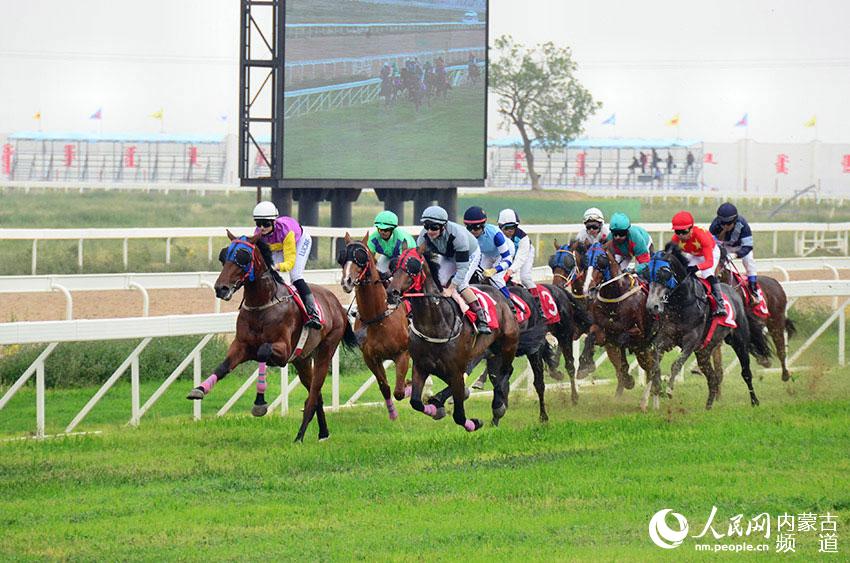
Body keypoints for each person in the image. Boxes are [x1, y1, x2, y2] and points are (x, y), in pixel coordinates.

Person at [416, 206, 491, 334]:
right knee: (438, 281)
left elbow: (462, 269)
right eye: (426, 226)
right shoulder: (424, 236)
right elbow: (418, 258)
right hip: (448, 255)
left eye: (433, 227)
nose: (429, 231)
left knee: (460, 284)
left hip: (469, 254)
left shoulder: (458, 236)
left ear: (443, 226)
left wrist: (451, 289)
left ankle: (481, 318)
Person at [252, 201, 323, 329]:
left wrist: (277, 267)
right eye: (258, 223)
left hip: (298, 241)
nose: (262, 227)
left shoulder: (286, 232)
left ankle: (313, 313)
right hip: (278, 245)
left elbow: (289, 263)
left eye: (266, 224)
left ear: (274, 222)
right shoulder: (258, 234)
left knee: (295, 276)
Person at [671, 211, 726, 317]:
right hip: (693, 254)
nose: (681, 235)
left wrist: (697, 267)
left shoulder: (702, 236)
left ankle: (720, 303)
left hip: (710, 253)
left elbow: (709, 262)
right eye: (678, 232)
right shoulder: (676, 238)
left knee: (706, 273)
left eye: (684, 231)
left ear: (691, 228)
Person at [462, 206, 515, 305]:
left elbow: (507, 259)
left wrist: (495, 270)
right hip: (487, 254)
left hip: (503, 254)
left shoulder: (495, 235)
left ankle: (511, 304)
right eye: (469, 228)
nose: (473, 231)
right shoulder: (466, 235)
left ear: (483, 225)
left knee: (496, 278)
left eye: (476, 228)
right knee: (478, 276)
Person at [709, 202, 760, 303]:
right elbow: (711, 244)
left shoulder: (743, 224)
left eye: (728, 224)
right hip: (724, 247)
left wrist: (736, 254)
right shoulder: (715, 225)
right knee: (714, 263)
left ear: (735, 220)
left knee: (749, 261)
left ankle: (753, 289)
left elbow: (748, 246)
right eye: (723, 223)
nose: (725, 226)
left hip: (741, 247)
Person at [498, 209, 540, 308]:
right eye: (507, 228)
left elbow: (520, 258)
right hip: (508, 255)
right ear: (500, 226)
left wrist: (510, 271)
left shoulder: (523, 238)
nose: (510, 231)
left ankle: (538, 306)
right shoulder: (496, 235)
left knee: (525, 278)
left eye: (514, 227)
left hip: (525, 253)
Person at [368, 210, 417, 278]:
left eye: (386, 230)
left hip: (408, 256)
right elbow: (370, 259)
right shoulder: (373, 238)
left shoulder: (402, 239)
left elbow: (402, 263)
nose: (382, 232)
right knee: (378, 273)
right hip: (389, 255)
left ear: (393, 229)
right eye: (380, 229)